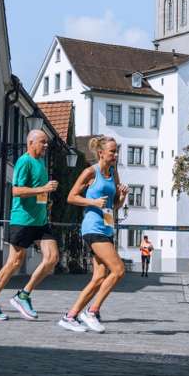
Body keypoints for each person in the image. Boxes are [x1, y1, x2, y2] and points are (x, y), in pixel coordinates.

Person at [0, 129, 59, 321]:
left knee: (52, 258)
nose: (46, 145)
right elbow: (16, 191)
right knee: (15, 262)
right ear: (30, 143)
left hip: (40, 221)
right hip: (23, 219)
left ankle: (23, 295)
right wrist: (43, 188)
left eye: (47, 142)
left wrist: (45, 196)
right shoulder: (24, 161)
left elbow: (38, 191)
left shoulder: (41, 161)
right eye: (42, 142)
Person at [59, 135, 128, 333]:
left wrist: (122, 196)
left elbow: (114, 206)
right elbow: (71, 197)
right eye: (112, 151)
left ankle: (70, 316)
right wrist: (92, 202)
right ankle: (92, 311)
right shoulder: (90, 172)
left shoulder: (114, 173)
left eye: (116, 151)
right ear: (101, 153)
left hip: (106, 227)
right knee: (118, 270)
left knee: (99, 277)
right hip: (93, 227)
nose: (115, 155)